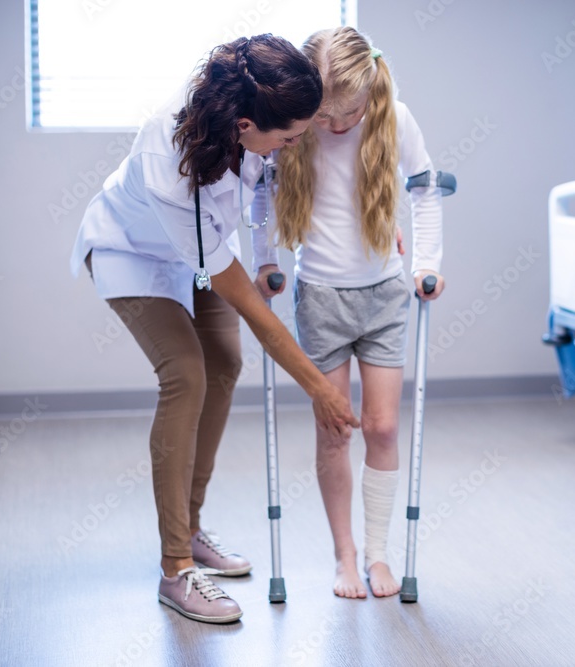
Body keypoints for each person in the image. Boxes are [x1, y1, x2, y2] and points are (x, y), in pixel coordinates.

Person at [69, 34, 359, 624]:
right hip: (132, 252)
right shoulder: (170, 159)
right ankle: (176, 568)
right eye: (287, 137)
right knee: (187, 375)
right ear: (248, 124)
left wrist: (269, 256)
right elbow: (259, 316)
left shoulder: (249, 102)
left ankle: (192, 525)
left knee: (224, 365)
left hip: (197, 248)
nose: (293, 145)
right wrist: (321, 390)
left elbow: (258, 193)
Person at [251, 26, 444, 599]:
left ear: (369, 92)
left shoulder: (394, 118)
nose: (334, 127)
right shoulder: (298, 125)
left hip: (384, 292)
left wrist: (426, 259)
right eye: (324, 116)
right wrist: (265, 261)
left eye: (347, 115)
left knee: (382, 427)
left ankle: (379, 556)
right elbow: (262, 191)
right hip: (322, 296)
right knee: (335, 433)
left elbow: (425, 187)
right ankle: (344, 556)